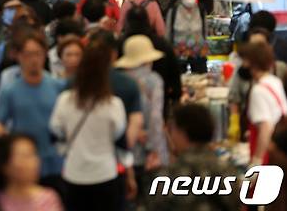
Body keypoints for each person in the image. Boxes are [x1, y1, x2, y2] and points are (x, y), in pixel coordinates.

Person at [50, 39, 127, 211]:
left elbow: (54, 133)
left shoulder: (65, 100)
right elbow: (121, 141)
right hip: (105, 173)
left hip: (73, 173)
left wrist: (65, 151)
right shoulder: (114, 104)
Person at [0, 29, 65, 183]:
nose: (33, 59)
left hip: (55, 162)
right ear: (18, 56)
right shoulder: (10, 90)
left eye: (37, 53)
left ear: (44, 54)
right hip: (23, 165)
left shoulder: (57, 86)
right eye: (28, 54)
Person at [147, 104, 239, 211]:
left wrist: (150, 176)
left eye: (173, 130)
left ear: (182, 132)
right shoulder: (228, 171)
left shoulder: (169, 176)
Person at [115, 35, 169, 204]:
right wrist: (154, 149)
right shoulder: (154, 81)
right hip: (149, 150)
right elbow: (155, 117)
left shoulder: (119, 81)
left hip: (124, 148)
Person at [0, 134, 63, 211]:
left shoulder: (47, 199)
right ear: (4, 165)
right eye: (25, 156)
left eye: (34, 155)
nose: (35, 162)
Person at [240, 41, 287, 167]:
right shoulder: (275, 81)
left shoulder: (258, 90)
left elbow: (266, 127)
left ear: (251, 63)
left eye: (244, 61)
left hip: (267, 156)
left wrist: (256, 161)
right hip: (279, 150)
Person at [165, 0, 208, 73]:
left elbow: (205, 31)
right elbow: (168, 33)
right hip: (179, 52)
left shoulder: (200, 10)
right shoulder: (173, 11)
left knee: (200, 79)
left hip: (198, 52)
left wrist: (205, 46)